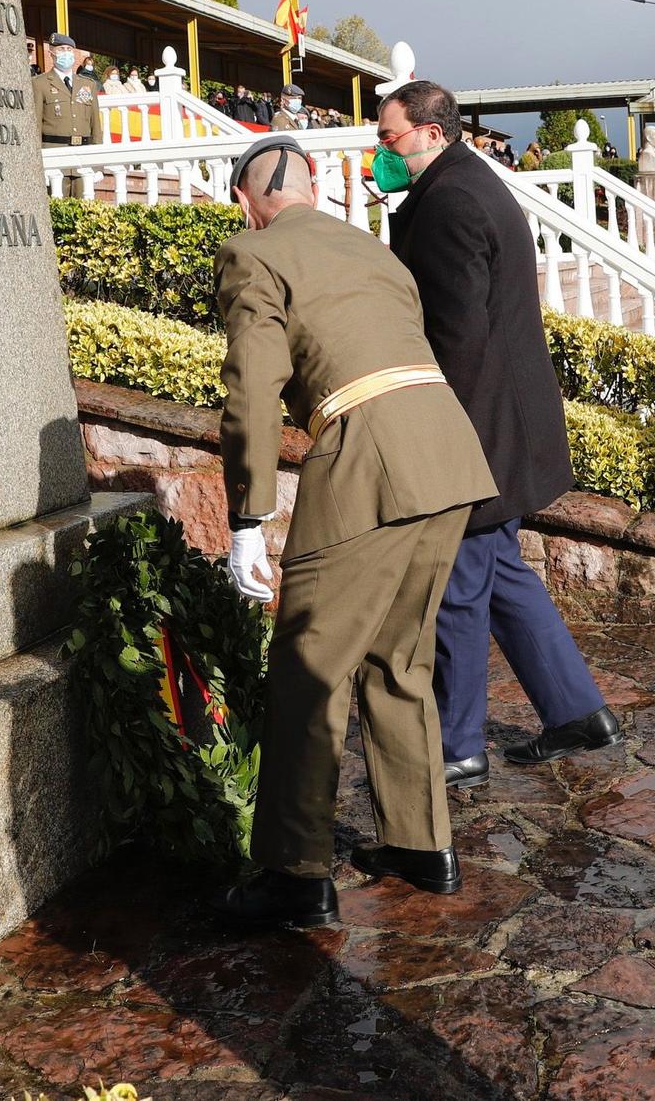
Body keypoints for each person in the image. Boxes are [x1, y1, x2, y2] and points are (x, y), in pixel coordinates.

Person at [214, 135, 497, 928]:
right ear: (312, 186)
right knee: (400, 657)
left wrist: (247, 516)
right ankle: (420, 845)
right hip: (447, 457)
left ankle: (294, 874)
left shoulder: (253, 252)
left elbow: (253, 385)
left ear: (248, 198)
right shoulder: (374, 252)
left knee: (310, 663)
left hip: (368, 462)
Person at [376, 81, 621, 790]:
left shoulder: (451, 200)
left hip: (479, 427)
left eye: (389, 140)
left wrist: (433, 426)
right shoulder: (465, 180)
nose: (381, 154)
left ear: (429, 132)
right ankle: (577, 713)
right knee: (502, 575)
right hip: (502, 420)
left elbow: (459, 334)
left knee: (459, 583)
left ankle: (456, 745)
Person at [34, 31, 101, 146]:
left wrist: (98, 147)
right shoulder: (39, 83)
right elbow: (36, 123)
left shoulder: (88, 84)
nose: (66, 53)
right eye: (61, 49)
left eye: (69, 49)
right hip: (54, 149)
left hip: (83, 148)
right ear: (51, 53)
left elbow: (95, 122)